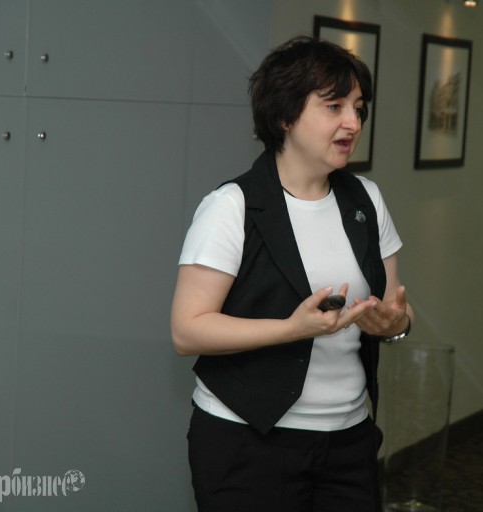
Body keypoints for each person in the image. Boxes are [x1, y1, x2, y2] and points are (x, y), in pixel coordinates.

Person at [170, 35, 413, 512]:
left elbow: (394, 309)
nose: (353, 122)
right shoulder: (232, 206)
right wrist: (292, 329)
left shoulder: (366, 200)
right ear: (285, 115)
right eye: (334, 106)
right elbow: (187, 330)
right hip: (247, 442)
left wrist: (396, 325)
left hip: (349, 441)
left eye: (358, 108)